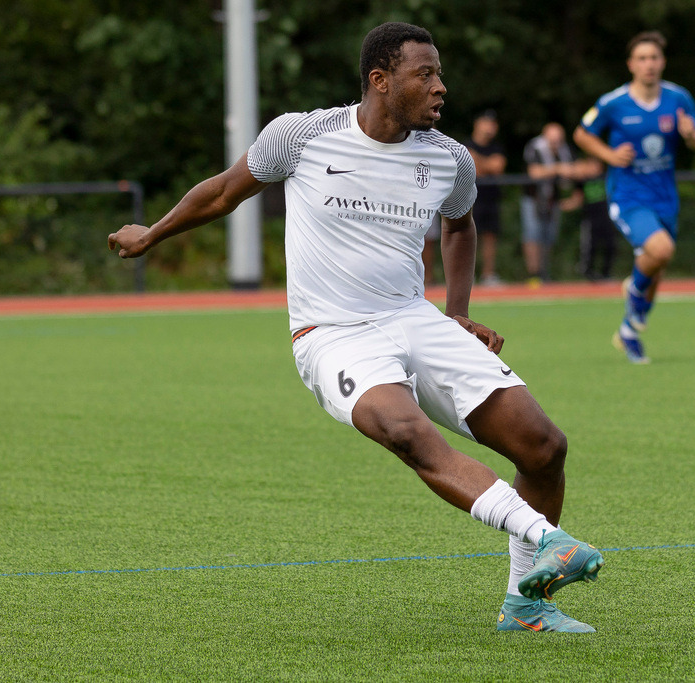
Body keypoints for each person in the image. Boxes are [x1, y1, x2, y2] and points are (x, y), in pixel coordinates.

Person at [108, 22, 603, 631]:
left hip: (414, 319)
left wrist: (458, 313)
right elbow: (222, 192)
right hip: (332, 333)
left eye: (440, 74)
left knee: (544, 447)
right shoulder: (302, 135)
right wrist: (152, 233)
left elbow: (459, 226)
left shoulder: (449, 158)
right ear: (380, 80)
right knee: (404, 430)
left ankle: (524, 605)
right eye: (426, 75)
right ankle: (548, 538)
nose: (441, 87)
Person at [573, 30, 695, 363]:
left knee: (658, 265)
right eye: (642, 58)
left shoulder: (678, 98)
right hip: (628, 194)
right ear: (632, 64)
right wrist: (609, 155)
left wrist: (692, 136)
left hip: (665, 196)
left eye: (655, 58)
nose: (649, 64)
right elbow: (581, 133)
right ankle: (634, 290)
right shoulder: (613, 102)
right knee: (661, 249)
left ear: (662, 62)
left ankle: (628, 332)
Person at [521, 122, 577, 285]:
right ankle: (533, 274)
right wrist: (559, 169)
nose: (555, 144)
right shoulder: (535, 147)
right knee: (532, 235)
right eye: (552, 140)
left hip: (554, 200)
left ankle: (545, 273)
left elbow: (576, 170)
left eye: (558, 140)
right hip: (533, 198)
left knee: (549, 237)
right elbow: (534, 172)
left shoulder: (565, 149)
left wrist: (575, 196)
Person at [464, 110, 506, 286]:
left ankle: (488, 274)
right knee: (466, 236)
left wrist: (477, 160)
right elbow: (469, 166)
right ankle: (466, 276)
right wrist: (484, 164)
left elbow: (497, 167)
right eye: (486, 122)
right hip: (468, 198)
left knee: (489, 236)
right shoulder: (465, 144)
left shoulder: (497, 147)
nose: (490, 127)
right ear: (477, 124)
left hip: (490, 197)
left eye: (493, 124)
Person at [575, 156, 618, 281]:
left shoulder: (606, 178)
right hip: (591, 218)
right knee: (591, 246)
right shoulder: (582, 180)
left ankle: (606, 272)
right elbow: (577, 198)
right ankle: (588, 272)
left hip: (607, 218)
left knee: (610, 245)